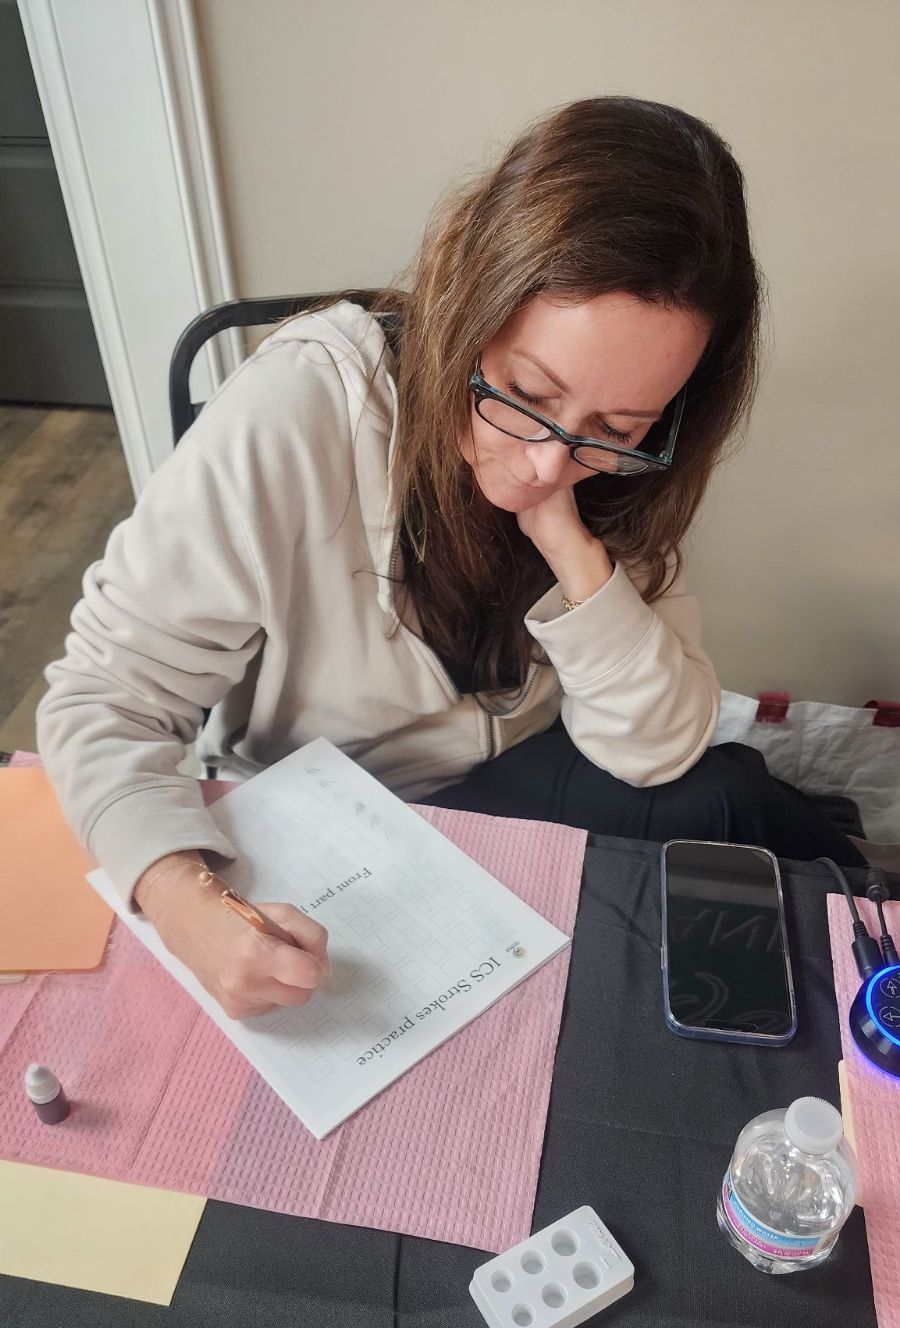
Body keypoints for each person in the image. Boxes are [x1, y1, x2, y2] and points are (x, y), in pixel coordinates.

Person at [37, 96, 862, 1021]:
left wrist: (565, 535)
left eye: (616, 426)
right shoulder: (303, 412)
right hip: (322, 811)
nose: (554, 459)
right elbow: (103, 696)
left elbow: (653, 745)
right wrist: (179, 899)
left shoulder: (614, 471)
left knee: (728, 794)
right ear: (469, 302)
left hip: (495, 778)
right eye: (527, 391)